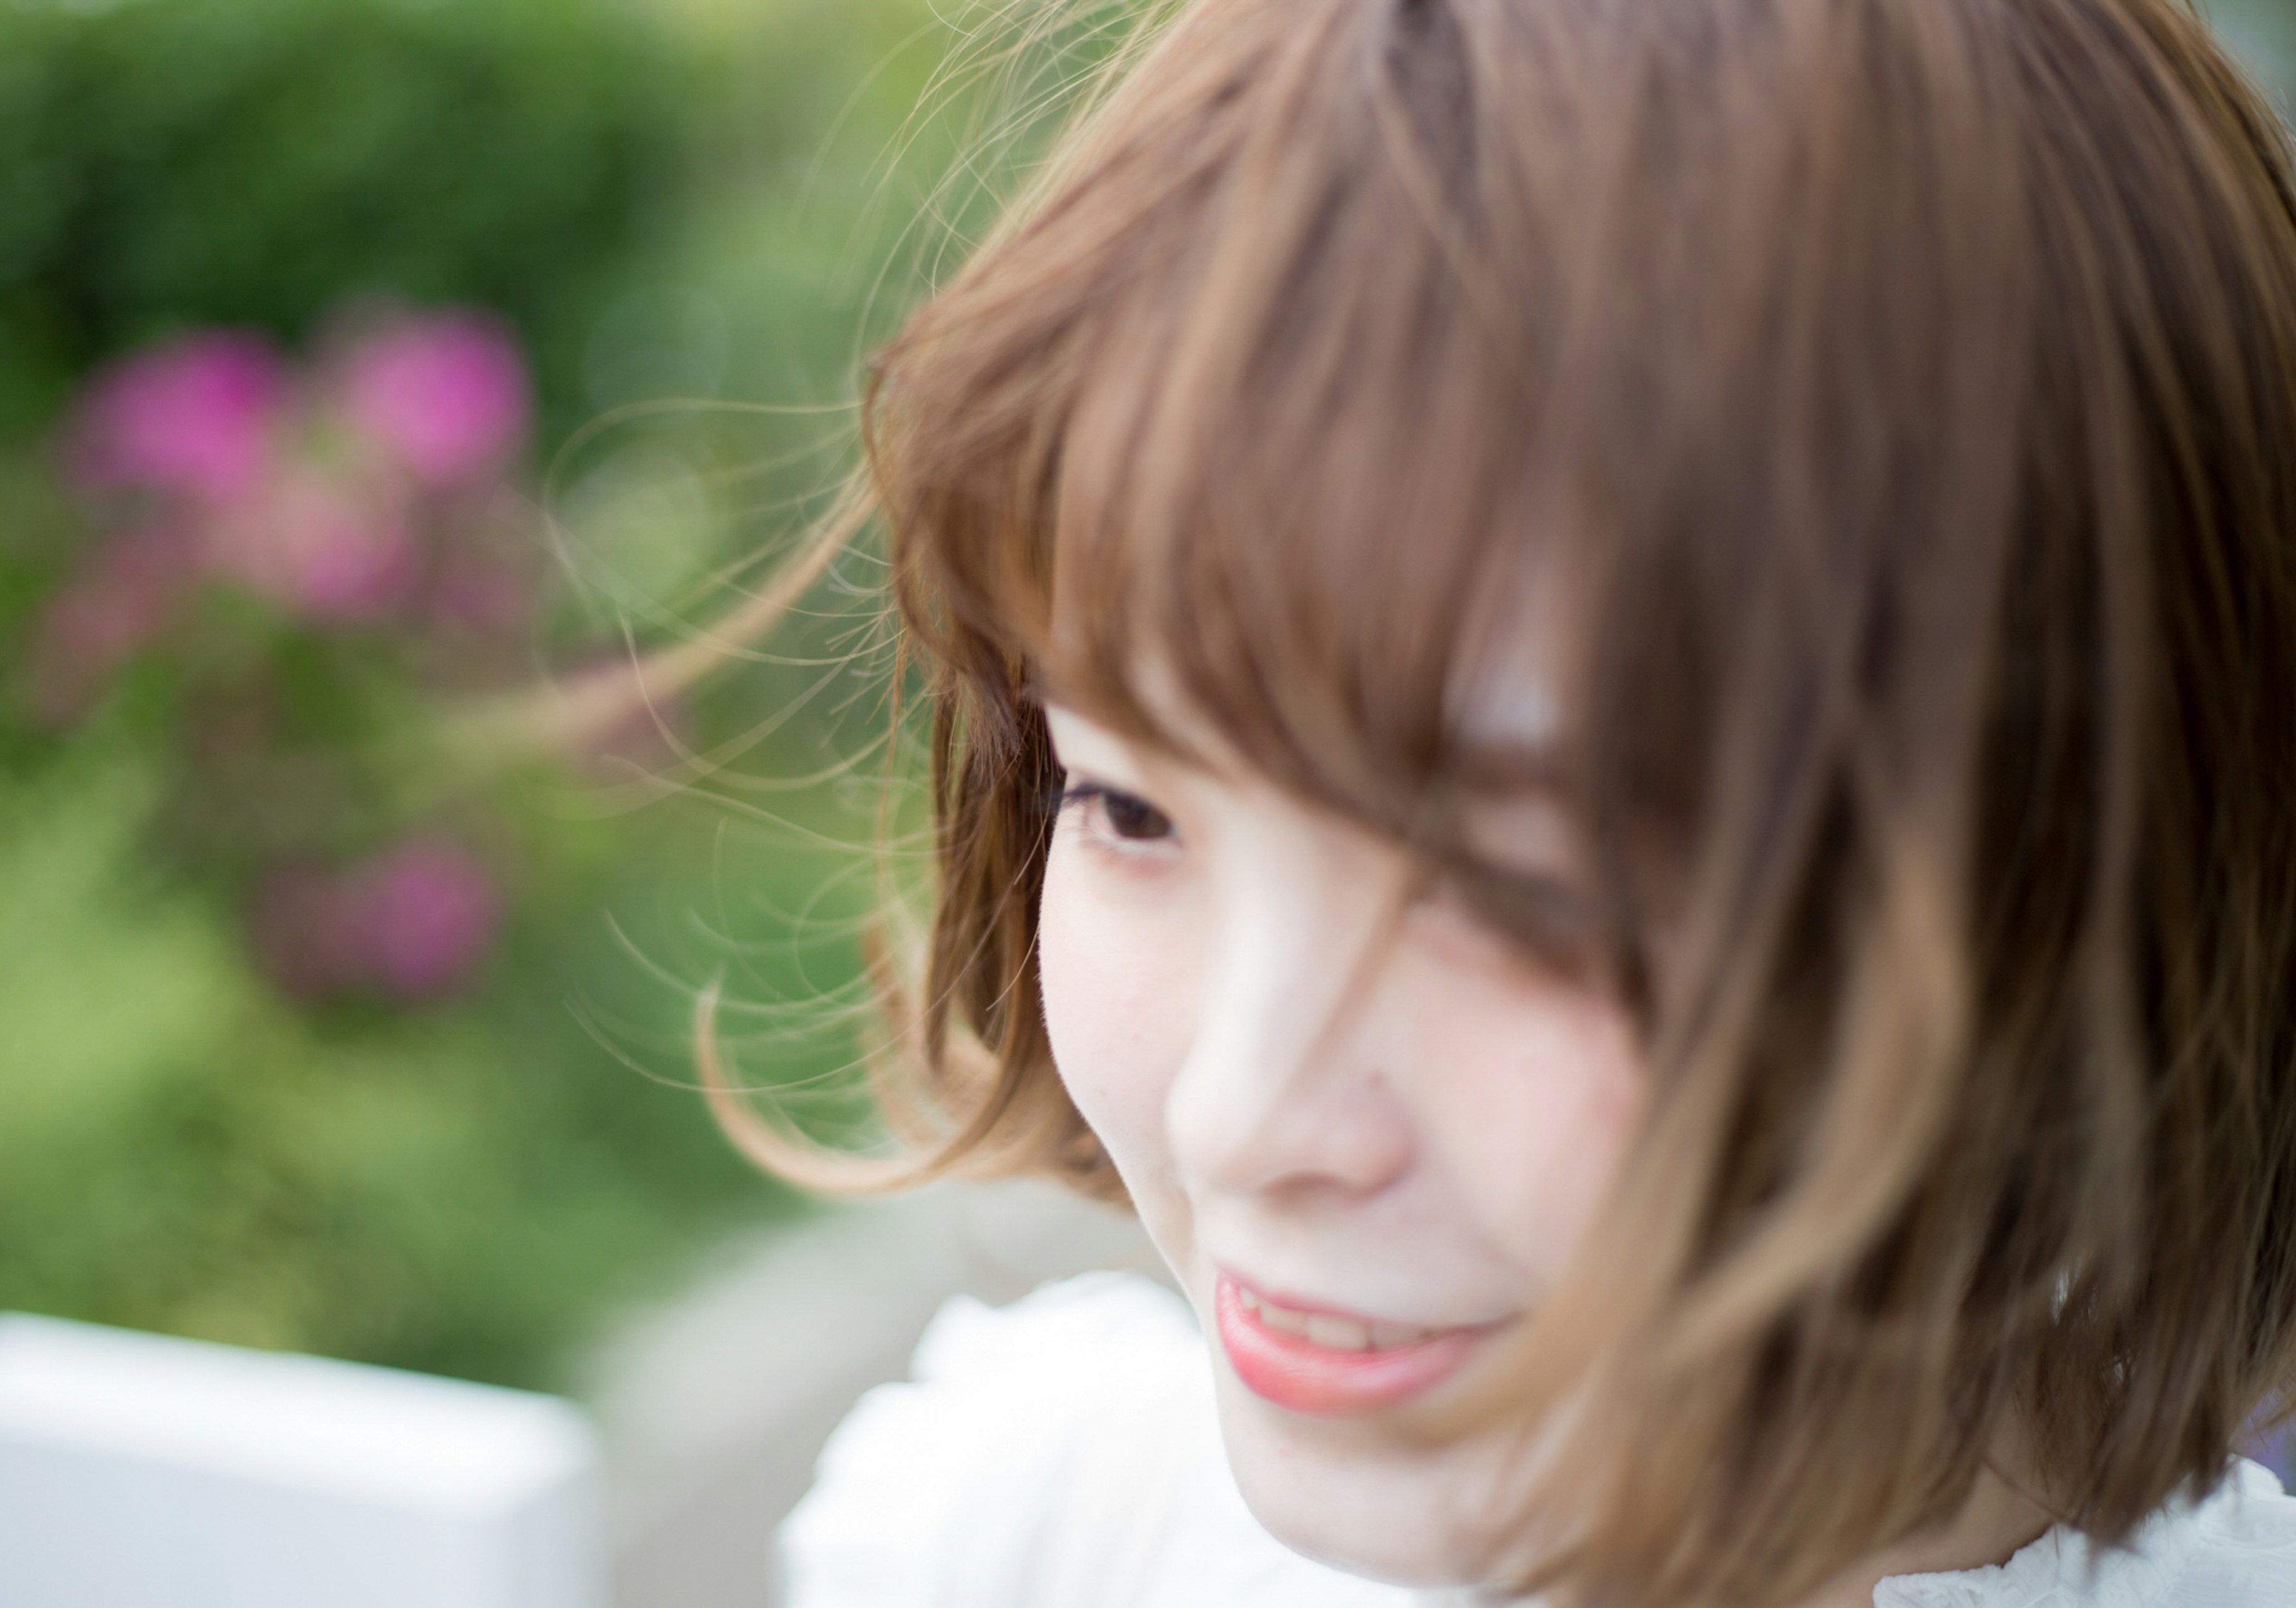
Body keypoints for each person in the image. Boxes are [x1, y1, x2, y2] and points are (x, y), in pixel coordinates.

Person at [711, 0, 2296, 1602]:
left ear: (2089, 858)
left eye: (1522, 886)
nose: (1239, 1114)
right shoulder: (1036, 1528)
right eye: (1127, 807)